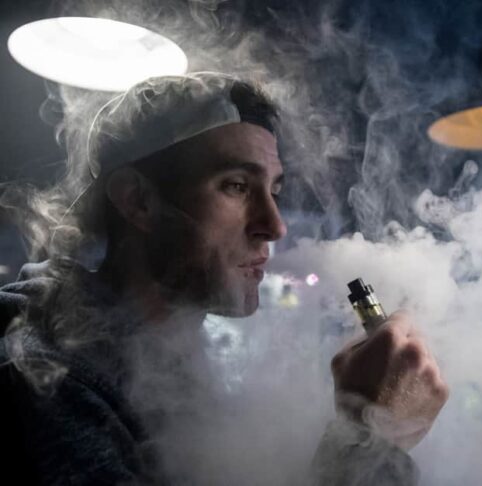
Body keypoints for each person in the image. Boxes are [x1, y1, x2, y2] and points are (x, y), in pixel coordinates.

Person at [0, 73, 449, 484]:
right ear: (137, 201)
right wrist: (368, 444)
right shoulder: (46, 378)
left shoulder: (178, 372)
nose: (274, 227)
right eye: (236, 186)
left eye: (274, 191)